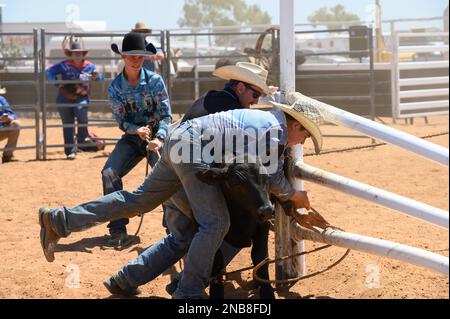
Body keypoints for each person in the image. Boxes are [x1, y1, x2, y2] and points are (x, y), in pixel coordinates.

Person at [38, 91, 324, 298]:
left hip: (179, 139)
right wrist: (293, 196)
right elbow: (272, 177)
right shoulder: (275, 132)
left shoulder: (266, 122)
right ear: (295, 124)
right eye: (306, 135)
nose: (304, 141)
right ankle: (189, 291)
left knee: (138, 200)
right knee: (216, 223)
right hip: (193, 147)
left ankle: (61, 220)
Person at [103, 31, 172, 246]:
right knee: (109, 172)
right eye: (131, 56)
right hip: (133, 138)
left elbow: (167, 115)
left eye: (140, 56)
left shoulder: (155, 81)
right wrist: (136, 131)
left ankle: (174, 227)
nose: (135, 61)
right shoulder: (115, 87)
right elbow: (121, 121)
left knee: (169, 176)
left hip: (157, 137)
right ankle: (117, 227)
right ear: (123, 57)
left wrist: (159, 138)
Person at [45, 42, 103, 160]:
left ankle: (83, 137)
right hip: (64, 96)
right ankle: (70, 151)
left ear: (83, 53)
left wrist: (96, 76)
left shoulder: (89, 66)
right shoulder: (64, 65)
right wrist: (58, 84)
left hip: (81, 96)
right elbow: (49, 71)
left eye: (80, 52)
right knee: (68, 123)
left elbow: (99, 78)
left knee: (81, 110)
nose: (77, 54)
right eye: (75, 52)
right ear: (70, 54)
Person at [0, 86, 21, 163]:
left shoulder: (1, 99)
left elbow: (12, 114)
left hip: (2, 128)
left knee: (16, 124)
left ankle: (7, 155)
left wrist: (9, 118)